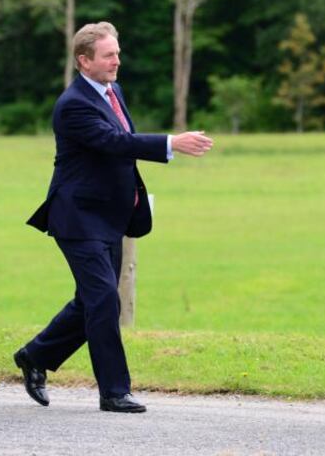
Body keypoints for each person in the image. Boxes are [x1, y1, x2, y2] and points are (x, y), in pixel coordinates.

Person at [17, 21, 213, 413]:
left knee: (91, 300)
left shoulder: (113, 91)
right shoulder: (73, 105)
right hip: (77, 217)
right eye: (108, 55)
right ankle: (114, 391)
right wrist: (172, 143)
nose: (116, 61)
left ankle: (35, 356)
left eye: (117, 53)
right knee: (105, 299)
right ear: (84, 61)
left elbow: (120, 147)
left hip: (111, 216)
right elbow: (114, 143)